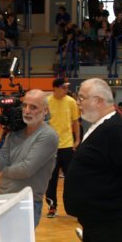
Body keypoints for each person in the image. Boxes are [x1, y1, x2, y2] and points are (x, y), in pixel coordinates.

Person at [63, 78, 122, 242]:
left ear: (98, 101)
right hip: (99, 219)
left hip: (111, 222)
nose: (77, 102)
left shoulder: (115, 129)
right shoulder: (102, 126)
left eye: (81, 98)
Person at [0, 90, 58, 226]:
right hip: (3, 199)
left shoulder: (48, 135)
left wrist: (4, 171)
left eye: (33, 107)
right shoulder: (14, 133)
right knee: (3, 241)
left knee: (20, 241)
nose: (27, 111)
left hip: (26, 203)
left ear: (45, 111)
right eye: (24, 105)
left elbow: (26, 169)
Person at [44, 78, 80, 219]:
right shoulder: (47, 102)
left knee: (71, 179)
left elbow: (75, 121)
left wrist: (77, 139)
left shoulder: (71, 102)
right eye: (64, 87)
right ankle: (52, 207)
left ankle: (73, 207)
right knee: (51, 179)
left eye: (66, 88)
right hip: (50, 147)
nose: (66, 90)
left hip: (67, 146)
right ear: (56, 88)